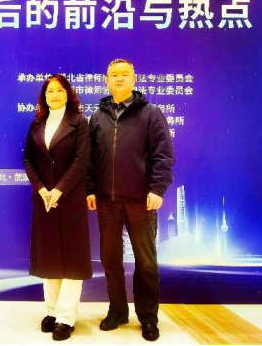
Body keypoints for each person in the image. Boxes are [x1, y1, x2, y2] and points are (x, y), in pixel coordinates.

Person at [86, 59, 174, 342]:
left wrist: (157, 189)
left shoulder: (151, 113)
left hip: (141, 201)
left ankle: (148, 317)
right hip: (107, 202)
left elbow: (163, 155)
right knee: (111, 260)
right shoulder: (97, 117)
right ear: (107, 80)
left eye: (125, 74)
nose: (119, 79)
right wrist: (90, 189)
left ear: (134, 79)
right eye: (114, 75)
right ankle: (118, 311)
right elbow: (90, 160)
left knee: (146, 263)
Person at [23, 74, 92, 341]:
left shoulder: (79, 122)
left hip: (70, 199)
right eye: (50, 91)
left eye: (60, 90)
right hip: (44, 201)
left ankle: (66, 317)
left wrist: (59, 190)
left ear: (68, 94)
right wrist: (41, 189)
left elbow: (81, 161)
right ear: (44, 96)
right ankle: (51, 311)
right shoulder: (36, 124)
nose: (55, 95)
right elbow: (29, 160)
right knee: (49, 257)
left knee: (72, 260)